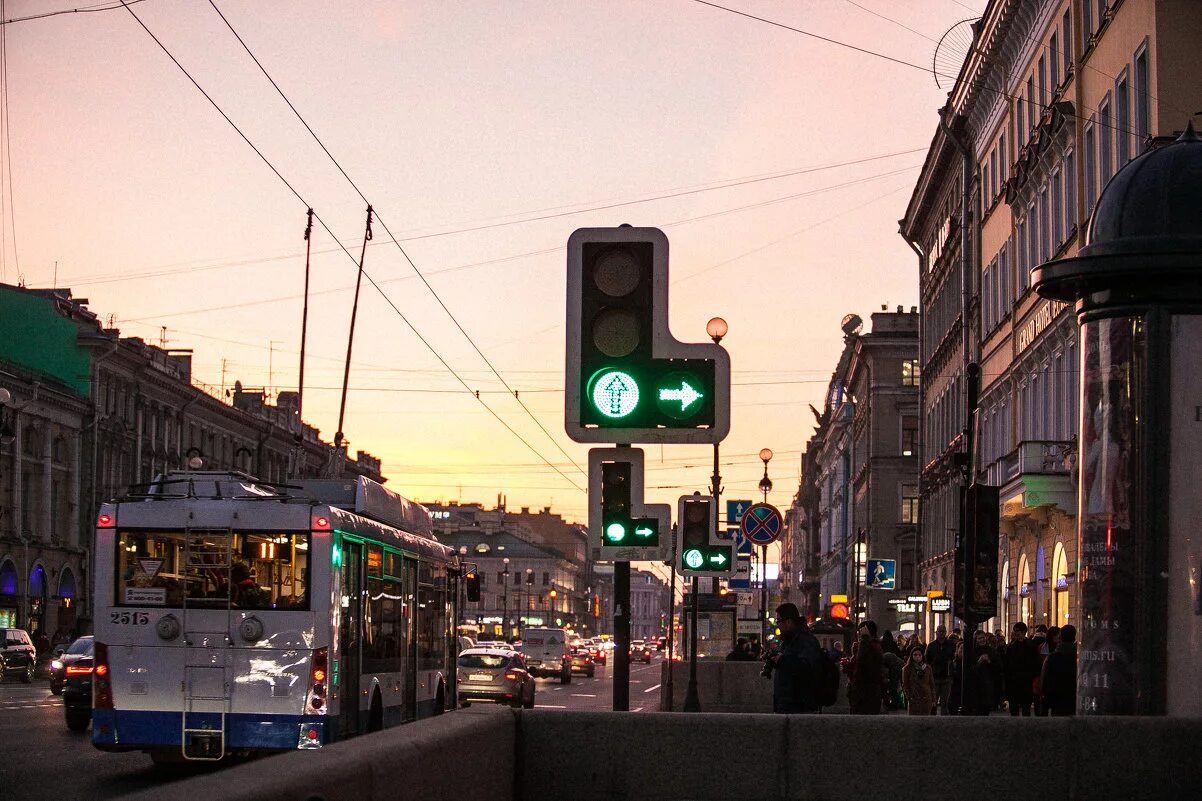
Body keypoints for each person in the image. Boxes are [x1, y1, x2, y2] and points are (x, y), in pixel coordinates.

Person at [767, 603, 823, 714]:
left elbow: (808, 669)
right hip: (786, 705)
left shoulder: (805, 640)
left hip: (800, 707)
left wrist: (782, 660)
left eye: (778, 621)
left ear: (788, 622)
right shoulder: (789, 640)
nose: (777, 625)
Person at [1003, 622, 1040, 716]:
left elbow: (1035, 664)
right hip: (1014, 682)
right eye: (1014, 631)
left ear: (1024, 632)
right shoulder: (1011, 647)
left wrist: (1031, 676)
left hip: (1026, 681)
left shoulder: (1031, 646)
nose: (1015, 633)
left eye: (1017, 631)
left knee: (1026, 708)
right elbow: (1007, 665)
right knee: (1014, 709)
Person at [1041, 624, 1077, 716]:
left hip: (1056, 699)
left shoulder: (1053, 657)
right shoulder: (1078, 657)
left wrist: (1046, 699)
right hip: (1074, 699)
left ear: (1060, 637)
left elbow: (1045, 680)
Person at [849, 620, 883, 715]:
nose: (858, 636)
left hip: (866, 695)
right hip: (866, 694)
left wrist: (864, 639)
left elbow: (863, 663)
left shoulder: (871, 646)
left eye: (860, 633)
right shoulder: (872, 646)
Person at [925, 625, 955, 715]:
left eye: (943, 631)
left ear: (945, 633)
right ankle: (932, 717)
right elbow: (927, 660)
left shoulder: (951, 645)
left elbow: (953, 657)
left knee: (945, 701)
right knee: (933, 700)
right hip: (935, 677)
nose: (941, 633)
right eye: (939, 631)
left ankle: (944, 719)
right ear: (936, 632)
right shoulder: (931, 646)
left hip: (946, 676)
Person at [902, 646, 936, 715]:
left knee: (926, 719)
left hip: (926, 698)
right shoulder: (907, 668)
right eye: (915, 655)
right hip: (914, 698)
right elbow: (905, 684)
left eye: (919, 655)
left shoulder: (927, 668)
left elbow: (932, 684)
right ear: (912, 656)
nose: (917, 657)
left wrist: (933, 699)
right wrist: (909, 697)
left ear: (922, 656)